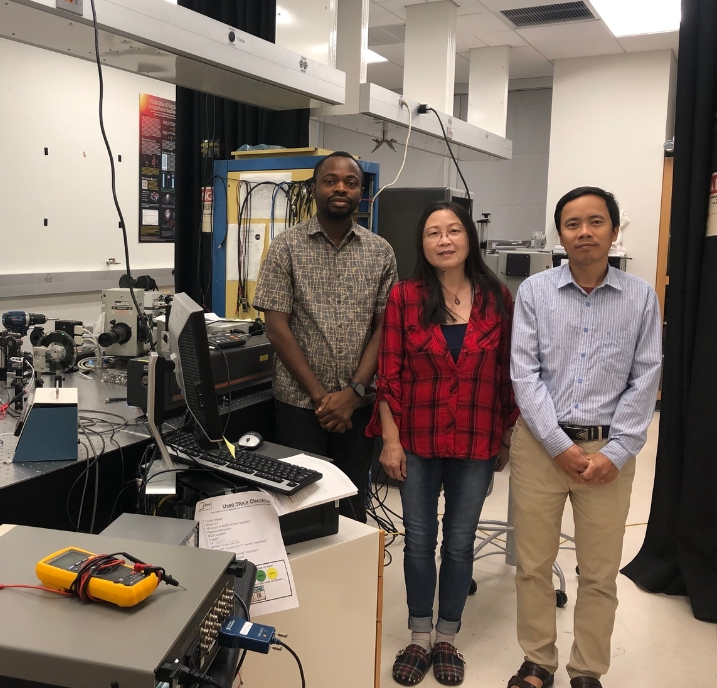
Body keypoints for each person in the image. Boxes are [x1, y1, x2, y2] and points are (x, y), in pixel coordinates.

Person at [506, 187, 662, 688]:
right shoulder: (534, 292)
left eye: (596, 222)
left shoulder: (640, 297)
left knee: (599, 572)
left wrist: (616, 451)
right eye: (573, 224)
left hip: (610, 451)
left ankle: (587, 669)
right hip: (540, 447)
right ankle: (538, 661)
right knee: (533, 564)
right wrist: (559, 446)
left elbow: (646, 377)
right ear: (560, 234)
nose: (585, 232)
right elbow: (524, 375)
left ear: (614, 232)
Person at [369, 201, 517, 686]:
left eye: (454, 230)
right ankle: (418, 637)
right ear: (423, 244)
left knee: (457, 544)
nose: (445, 240)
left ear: (469, 238)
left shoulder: (497, 297)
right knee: (417, 542)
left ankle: (447, 636)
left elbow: (509, 376)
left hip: (476, 437)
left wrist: (505, 435)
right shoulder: (405, 297)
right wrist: (391, 442)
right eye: (433, 232)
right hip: (417, 439)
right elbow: (388, 375)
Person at [253, 151, 397, 523]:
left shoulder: (380, 252)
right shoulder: (285, 246)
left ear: (360, 193)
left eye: (351, 183)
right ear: (314, 188)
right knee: (301, 505)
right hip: (299, 404)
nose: (340, 188)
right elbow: (276, 327)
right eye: (330, 180)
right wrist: (322, 398)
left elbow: (385, 327)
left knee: (352, 502)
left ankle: (352, 577)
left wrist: (353, 393)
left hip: (359, 404)